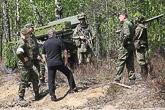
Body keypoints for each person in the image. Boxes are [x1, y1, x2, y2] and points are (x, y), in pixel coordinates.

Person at [42, 28, 78, 101]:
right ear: (54, 35)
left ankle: (52, 96)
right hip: (58, 62)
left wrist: (46, 63)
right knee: (69, 73)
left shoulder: (45, 43)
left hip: (50, 64)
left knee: (51, 80)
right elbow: (65, 51)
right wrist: (66, 61)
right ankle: (73, 89)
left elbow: (43, 55)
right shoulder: (58, 41)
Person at [16, 28, 40, 103]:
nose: (29, 34)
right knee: (24, 81)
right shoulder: (22, 42)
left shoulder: (25, 41)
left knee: (35, 77)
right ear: (24, 34)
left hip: (28, 65)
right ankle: (21, 98)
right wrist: (23, 58)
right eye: (28, 33)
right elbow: (18, 53)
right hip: (24, 66)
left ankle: (37, 94)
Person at [114, 13, 136, 85]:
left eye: (119, 16)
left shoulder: (126, 23)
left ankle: (117, 79)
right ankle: (132, 80)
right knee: (130, 62)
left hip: (126, 46)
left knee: (120, 62)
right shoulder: (130, 23)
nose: (119, 18)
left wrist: (123, 43)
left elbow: (127, 34)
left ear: (124, 17)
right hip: (131, 46)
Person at [133, 11, 156, 80]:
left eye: (135, 17)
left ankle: (144, 77)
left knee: (141, 61)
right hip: (143, 45)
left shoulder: (139, 27)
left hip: (140, 46)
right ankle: (148, 75)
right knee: (145, 60)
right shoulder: (142, 26)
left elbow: (135, 36)